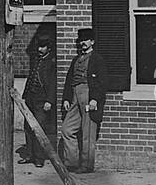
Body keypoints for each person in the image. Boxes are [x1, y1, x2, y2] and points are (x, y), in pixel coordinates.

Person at [60, 28, 108, 173]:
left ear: (92, 42)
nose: (83, 43)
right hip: (75, 96)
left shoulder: (97, 59)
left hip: (88, 95)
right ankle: (71, 163)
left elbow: (102, 82)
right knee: (67, 129)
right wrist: (67, 98)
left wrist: (94, 99)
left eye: (86, 40)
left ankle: (86, 165)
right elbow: (69, 80)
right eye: (81, 40)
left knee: (87, 132)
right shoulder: (76, 59)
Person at [20, 36, 58, 166]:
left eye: (42, 47)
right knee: (28, 126)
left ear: (49, 48)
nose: (39, 49)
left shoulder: (52, 62)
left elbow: (53, 83)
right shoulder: (36, 60)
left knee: (39, 128)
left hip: (42, 99)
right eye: (38, 47)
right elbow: (30, 77)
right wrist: (25, 96)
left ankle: (39, 158)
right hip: (31, 97)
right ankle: (30, 155)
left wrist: (49, 101)